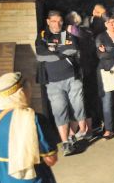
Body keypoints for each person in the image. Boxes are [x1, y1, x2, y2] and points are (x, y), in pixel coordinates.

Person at [35, 10, 89, 155]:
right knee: (60, 111)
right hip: (53, 81)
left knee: (77, 106)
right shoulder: (42, 37)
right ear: (48, 21)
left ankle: (73, 135)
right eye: (53, 21)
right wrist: (61, 53)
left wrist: (53, 53)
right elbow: (41, 56)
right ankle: (66, 143)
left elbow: (72, 49)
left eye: (59, 21)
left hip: (72, 77)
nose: (57, 24)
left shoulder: (66, 33)